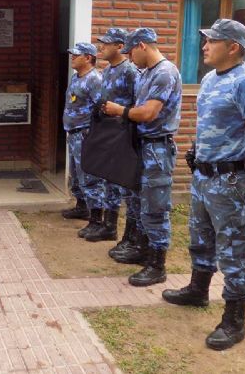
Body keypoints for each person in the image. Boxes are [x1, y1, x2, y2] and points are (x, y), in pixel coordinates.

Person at [161, 19, 245, 351]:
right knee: (201, 237)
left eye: (212, 41)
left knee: (236, 250)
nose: (205, 46)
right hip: (203, 177)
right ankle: (198, 290)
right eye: (205, 40)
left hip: (232, 182)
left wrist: (240, 168)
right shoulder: (210, 79)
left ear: (233, 47)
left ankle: (234, 320)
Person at [102, 28, 182, 286]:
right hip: (142, 145)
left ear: (143, 46)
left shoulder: (164, 73)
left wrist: (120, 111)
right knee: (138, 202)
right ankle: (143, 250)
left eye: (131, 51)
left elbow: (148, 113)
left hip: (157, 149)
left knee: (155, 208)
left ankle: (157, 266)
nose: (129, 58)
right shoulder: (147, 73)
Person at [85, 28, 142, 250]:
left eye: (107, 44)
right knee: (108, 178)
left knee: (123, 182)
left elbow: (138, 103)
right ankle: (108, 226)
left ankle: (130, 236)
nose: (102, 47)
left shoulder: (130, 72)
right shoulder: (107, 70)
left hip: (123, 132)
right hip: (108, 131)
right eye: (101, 43)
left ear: (120, 46)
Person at [61, 42, 106, 237]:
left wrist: (93, 133)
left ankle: (96, 219)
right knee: (76, 175)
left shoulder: (94, 79)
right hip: (73, 133)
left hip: (86, 134)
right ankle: (81, 206)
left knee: (89, 176)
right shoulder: (75, 77)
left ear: (88, 58)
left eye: (76, 55)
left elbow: (102, 108)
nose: (72, 57)